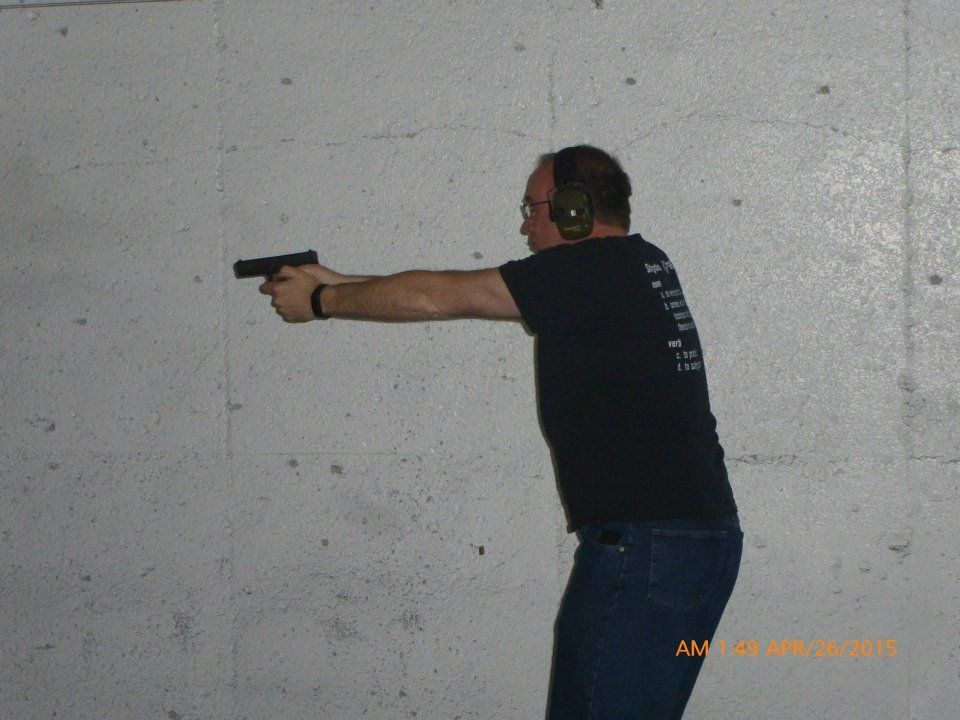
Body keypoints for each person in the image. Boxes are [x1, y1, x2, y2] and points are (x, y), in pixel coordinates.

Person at [259, 145, 743, 719]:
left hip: (648, 547)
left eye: (533, 207)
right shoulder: (628, 265)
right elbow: (450, 287)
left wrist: (321, 301)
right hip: (670, 544)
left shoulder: (590, 270)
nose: (525, 224)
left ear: (572, 209)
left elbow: (439, 297)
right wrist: (337, 282)